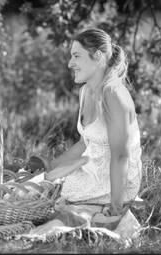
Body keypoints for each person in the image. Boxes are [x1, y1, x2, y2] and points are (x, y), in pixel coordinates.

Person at [42, 28, 143, 219]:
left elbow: (121, 156)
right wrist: (49, 166)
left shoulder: (113, 95)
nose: (70, 64)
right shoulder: (86, 91)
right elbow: (85, 143)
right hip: (94, 168)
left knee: (50, 198)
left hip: (117, 183)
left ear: (97, 56)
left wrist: (115, 208)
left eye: (76, 56)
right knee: (40, 184)